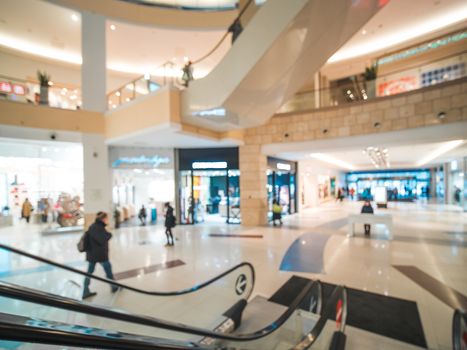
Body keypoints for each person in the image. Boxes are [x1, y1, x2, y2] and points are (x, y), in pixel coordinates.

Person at [82, 211, 118, 299]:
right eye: (106, 218)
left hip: (92, 255)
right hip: (100, 255)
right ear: (103, 219)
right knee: (108, 270)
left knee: (89, 273)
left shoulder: (93, 226)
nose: (107, 220)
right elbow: (102, 239)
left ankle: (85, 291)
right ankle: (114, 286)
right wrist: (109, 234)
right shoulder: (98, 227)